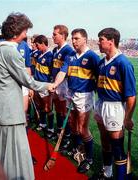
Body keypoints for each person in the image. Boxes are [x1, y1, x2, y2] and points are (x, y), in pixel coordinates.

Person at [0, 12, 51, 180]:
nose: (26, 35)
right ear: (17, 31)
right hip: (10, 112)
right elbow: (29, 82)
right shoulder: (10, 52)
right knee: (15, 152)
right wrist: (49, 86)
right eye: (25, 31)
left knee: (0, 150)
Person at [49, 28, 100, 173]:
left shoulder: (92, 57)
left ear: (85, 39)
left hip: (84, 95)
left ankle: (89, 158)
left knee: (82, 128)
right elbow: (62, 72)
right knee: (72, 123)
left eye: (77, 38)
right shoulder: (70, 55)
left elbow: (99, 79)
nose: (74, 41)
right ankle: (76, 148)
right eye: (72, 38)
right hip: (70, 92)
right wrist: (55, 84)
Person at [91, 28, 136, 179]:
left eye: (101, 39)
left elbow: (131, 96)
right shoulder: (101, 62)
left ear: (111, 42)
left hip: (115, 107)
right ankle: (107, 173)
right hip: (101, 104)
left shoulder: (123, 63)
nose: (98, 42)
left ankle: (121, 177)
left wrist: (128, 118)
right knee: (105, 142)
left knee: (117, 147)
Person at [52, 25, 74, 147]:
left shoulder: (68, 51)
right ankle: (60, 131)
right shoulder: (55, 50)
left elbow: (64, 72)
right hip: (56, 83)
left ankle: (67, 136)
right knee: (58, 110)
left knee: (65, 112)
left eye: (55, 34)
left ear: (63, 35)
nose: (53, 36)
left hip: (64, 84)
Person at [33, 35, 55, 139]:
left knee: (48, 108)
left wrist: (50, 87)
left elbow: (52, 73)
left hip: (45, 85)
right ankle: (43, 124)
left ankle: (51, 128)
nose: (36, 47)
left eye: (37, 45)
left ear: (43, 43)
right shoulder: (39, 54)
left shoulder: (50, 56)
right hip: (37, 84)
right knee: (41, 106)